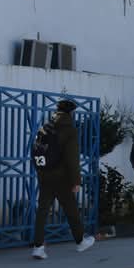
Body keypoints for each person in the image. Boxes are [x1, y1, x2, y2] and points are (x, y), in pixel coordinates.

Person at [31, 99, 95, 259]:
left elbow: (36, 150)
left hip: (45, 175)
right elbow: (72, 158)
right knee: (71, 209)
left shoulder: (45, 127)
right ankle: (80, 241)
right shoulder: (69, 130)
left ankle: (38, 247)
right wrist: (76, 181)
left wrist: (41, 173)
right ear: (71, 113)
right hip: (61, 177)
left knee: (42, 211)